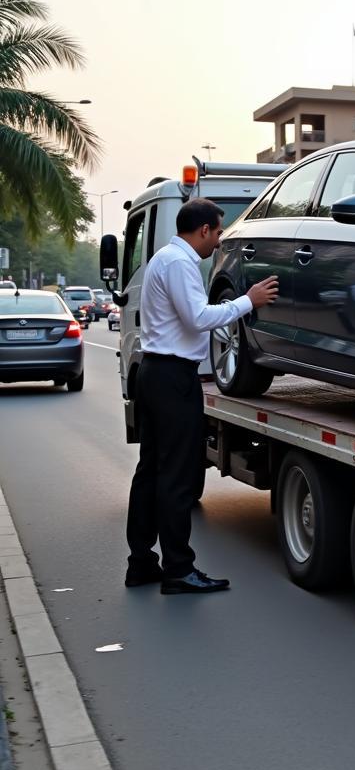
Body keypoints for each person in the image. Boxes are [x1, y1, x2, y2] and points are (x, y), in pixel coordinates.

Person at [125, 198, 278, 594]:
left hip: (155, 374)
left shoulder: (164, 259)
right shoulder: (180, 264)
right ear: (204, 230)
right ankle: (178, 570)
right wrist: (249, 301)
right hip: (173, 378)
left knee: (151, 472)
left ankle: (141, 562)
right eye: (218, 230)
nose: (219, 239)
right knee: (176, 476)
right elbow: (199, 317)